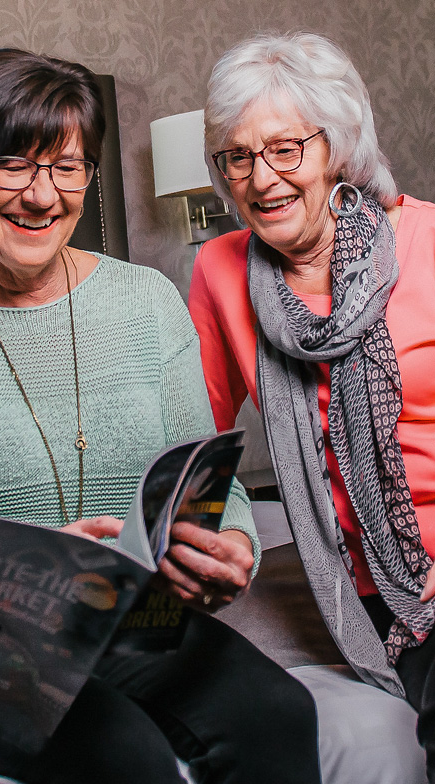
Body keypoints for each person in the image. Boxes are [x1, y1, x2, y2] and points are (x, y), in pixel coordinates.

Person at [0, 48, 321, 784]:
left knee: (281, 713)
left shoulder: (146, 300)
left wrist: (227, 553)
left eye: (67, 167)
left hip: (123, 616)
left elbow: (210, 493)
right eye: (12, 164)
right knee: (122, 755)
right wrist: (31, 570)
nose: (42, 195)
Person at [189, 31, 435, 777]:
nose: (261, 179)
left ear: (339, 147)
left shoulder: (428, 241)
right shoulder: (219, 269)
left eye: (286, 149)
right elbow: (194, 440)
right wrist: (194, 542)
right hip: (354, 580)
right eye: (237, 156)